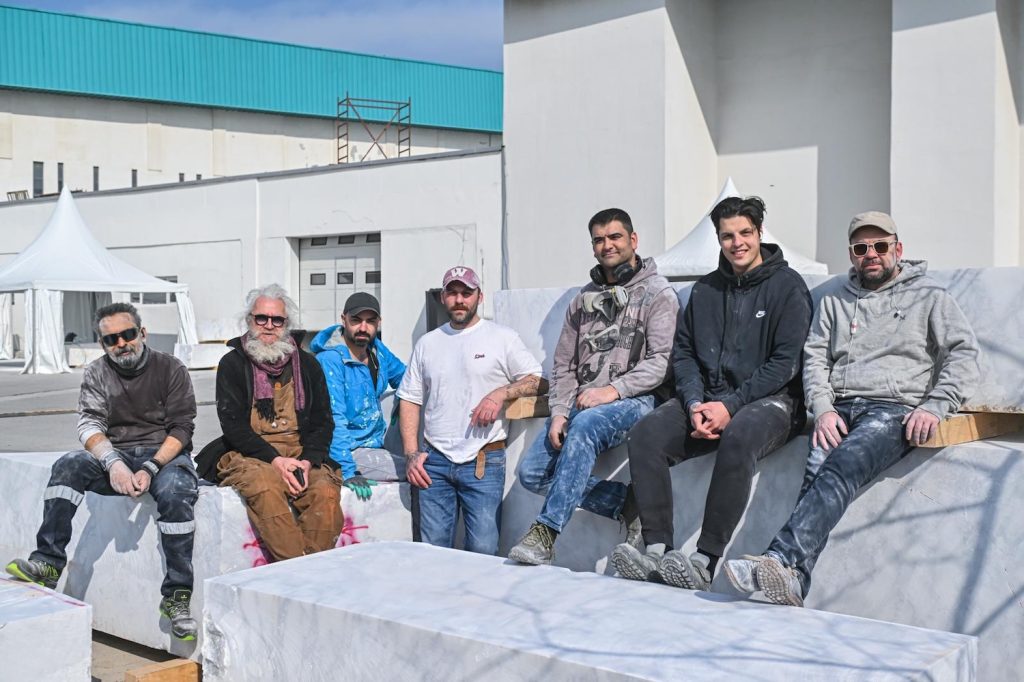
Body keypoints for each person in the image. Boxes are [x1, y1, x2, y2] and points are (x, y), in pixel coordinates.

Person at [724, 211, 980, 606]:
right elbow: (814, 359)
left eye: (880, 246)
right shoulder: (835, 299)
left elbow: (963, 354)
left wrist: (936, 404)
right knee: (816, 468)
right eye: (861, 248)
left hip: (894, 409)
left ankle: (777, 559)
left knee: (843, 464)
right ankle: (795, 583)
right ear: (851, 254)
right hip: (840, 406)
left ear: (898, 248)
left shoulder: (930, 296)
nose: (871, 254)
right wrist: (823, 408)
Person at [610, 196, 812, 590]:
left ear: (760, 233)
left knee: (739, 434)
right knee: (646, 434)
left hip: (774, 403)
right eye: (727, 236)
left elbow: (785, 363)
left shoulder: (788, 287)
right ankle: (656, 550)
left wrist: (730, 407)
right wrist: (694, 404)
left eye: (745, 233)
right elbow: (684, 355)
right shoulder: (705, 290)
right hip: (708, 400)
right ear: (718, 239)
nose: (737, 243)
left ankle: (705, 561)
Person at [6, 303, 199, 640]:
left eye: (127, 334)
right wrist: (113, 463)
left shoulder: (170, 368)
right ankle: (48, 561)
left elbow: (182, 428)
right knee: (68, 467)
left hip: (165, 456)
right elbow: (89, 425)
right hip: (118, 453)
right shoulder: (97, 372)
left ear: (142, 333)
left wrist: (152, 466)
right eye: (111, 339)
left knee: (175, 492)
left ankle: (177, 597)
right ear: (102, 343)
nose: (121, 343)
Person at [508, 207, 679, 566]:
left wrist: (612, 391)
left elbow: (662, 361)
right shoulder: (581, 300)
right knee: (532, 474)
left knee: (585, 424)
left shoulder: (658, 293)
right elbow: (564, 365)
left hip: (637, 400)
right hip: (583, 402)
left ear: (633, 240)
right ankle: (625, 502)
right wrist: (558, 414)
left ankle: (545, 534)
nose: (607, 245)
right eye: (599, 240)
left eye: (615, 237)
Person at [398, 266, 544, 555]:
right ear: (443, 298)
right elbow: (410, 398)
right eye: (452, 293)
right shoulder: (428, 343)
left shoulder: (501, 337)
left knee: (483, 551)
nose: (460, 300)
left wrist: (500, 393)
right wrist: (411, 454)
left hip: (483, 460)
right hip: (434, 462)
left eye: (466, 293)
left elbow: (537, 380)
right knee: (432, 551)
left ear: (480, 296)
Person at [195, 284, 341, 562]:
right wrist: (276, 461)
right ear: (249, 320)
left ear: (287, 324)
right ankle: (294, 569)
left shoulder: (308, 365)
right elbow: (233, 425)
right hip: (250, 453)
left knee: (324, 490)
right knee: (264, 486)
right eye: (261, 318)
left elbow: (323, 421)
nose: (269, 326)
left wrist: (308, 461)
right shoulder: (232, 364)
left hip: (300, 451)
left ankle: (315, 568)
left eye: (277, 320)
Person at [311, 292, 406, 499]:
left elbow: (407, 379)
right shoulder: (330, 360)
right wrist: (347, 470)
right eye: (356, 320)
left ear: (378, 322)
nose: (363, 328)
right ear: (343, 319)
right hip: (348, 449)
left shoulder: (376, 350)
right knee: (418, 470)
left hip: (376, 441)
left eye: (370, 321)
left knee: (410, 397)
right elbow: (333, 418)